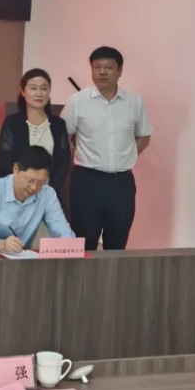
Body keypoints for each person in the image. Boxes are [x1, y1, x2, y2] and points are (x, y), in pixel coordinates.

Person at [63, 46, 152, 251]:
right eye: (97, 67)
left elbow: (144, 136)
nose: (102, 72)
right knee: (84, 244)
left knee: (117, 243)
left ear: (120, 71)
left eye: (108, 67)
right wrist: (78, 152)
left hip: (121, 184)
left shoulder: (134, 102)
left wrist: (127, 156)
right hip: (87, 182)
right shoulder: (78, 101)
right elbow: (63, 135)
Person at [0, 146, 74, 254]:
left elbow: (63, 232)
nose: (34, 187)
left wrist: (68, 244)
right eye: (30, 180)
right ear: (15, 169)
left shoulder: (47, 194)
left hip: (18, 260)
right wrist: (0, 244)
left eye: (41, 182)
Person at [0, 69, 72, 203]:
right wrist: (22, 190)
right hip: (17, 196)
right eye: (33, 88)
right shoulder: (12, 123)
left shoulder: (58, 124)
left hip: (48, 196)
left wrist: (50, 191)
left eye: (44, 88)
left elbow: (63, 162)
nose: (39, 93)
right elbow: (6, 161)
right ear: (23, 91)